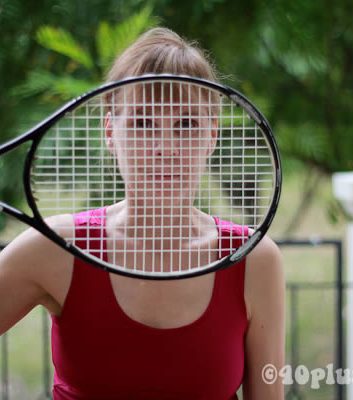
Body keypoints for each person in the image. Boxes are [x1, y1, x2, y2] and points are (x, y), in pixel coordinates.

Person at [0, 27, 285, 400]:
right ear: (109, 132)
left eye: (186, 124)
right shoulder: (55, 247)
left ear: (213, 135)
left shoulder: (255, 260)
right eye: (141, 122)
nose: (164, 148)